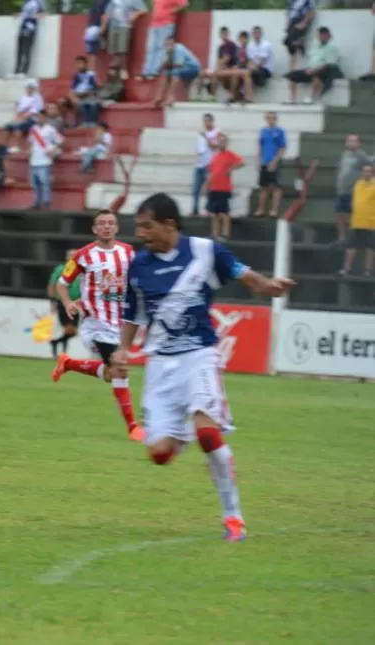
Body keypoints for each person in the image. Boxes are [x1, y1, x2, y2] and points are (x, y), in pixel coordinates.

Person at [113, 192, 295, 541]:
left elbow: (243, 275)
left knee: (209, 434)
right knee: (159, 455)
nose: (141, 234)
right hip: (160, 366)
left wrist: (269, 286)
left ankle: (233, 518)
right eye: (138, 227)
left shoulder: (205, 251)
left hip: (199, 356)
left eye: (147, 226)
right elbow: (133, 314)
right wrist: (122, 349)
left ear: (170, 224)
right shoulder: (138, 266)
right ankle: (181, 434)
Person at [52, 210, 143, 442]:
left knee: (111, 373)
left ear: (117, 227)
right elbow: (62, 284)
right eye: (101, 223)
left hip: (120, 323)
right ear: (94, 229)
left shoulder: (127, 252)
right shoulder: (83, 256)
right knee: (120, 370)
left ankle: (68, 363)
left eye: (110, 223)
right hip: (96, 324)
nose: (106, 227)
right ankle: (133, 427)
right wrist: (68, 303)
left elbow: (136, 280)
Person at [333, 135, 373, 246]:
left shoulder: (362, 156)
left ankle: (352, 238)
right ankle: (341, 236)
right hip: (342, 189)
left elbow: (369, 168)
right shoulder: (344, 154)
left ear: (359, 143)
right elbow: (340, 168)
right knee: (339, 212)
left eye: (354, 141)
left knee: (352, 214)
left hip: (355, 190)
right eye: (350, 141)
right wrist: (339, 180)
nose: (351, 143)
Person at [203, 133, 244, 242]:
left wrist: (231, 169)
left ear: (226, 143)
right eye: (220, 141)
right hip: (214, 188)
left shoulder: (230, 154)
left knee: (224, 213)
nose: (221, 143)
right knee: (214, 213)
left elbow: (241, 162)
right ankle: (215, 234)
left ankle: (225, 234)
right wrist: (206, 185)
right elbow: (211, 172)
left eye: (223, 141)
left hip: (224, 188)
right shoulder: (215, 156)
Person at [285, 26, 341, 105]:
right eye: (320, 35)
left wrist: (314, 70)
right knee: (291, 76)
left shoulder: (332, 47)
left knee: (317, 76)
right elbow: (311, 59)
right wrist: (309, 69)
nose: (321, 37)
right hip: (310, 69)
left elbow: (328, 64)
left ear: (327, 36)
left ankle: (312, 97)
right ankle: (292, 99)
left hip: (324, 70)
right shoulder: (314, 45)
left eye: (323, 35)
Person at [341, 164, 375, 277]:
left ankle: (368, 270)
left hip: (371, 223)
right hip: (356, 222)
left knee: (370, 248)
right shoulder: (358, 184)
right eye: (365, 171)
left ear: (372, 173)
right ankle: (347, 269)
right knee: (351, 246)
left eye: (369, 171)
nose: (367, 173)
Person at [138, 0, 186, 80]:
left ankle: (154, 71)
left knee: (161, 47)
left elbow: (184, 3)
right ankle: (146, 72)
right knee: (150, 47)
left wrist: (175, 10)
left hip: (166, 23)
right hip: (154, 24)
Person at [254, 111, 286, 218]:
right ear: (266, 119)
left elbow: (282, 148)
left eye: (273, 118)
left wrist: (275, 161)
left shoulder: (280, 131)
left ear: (276, 119)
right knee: (263, 186)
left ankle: (274, 210)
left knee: (276, 187)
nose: (271, 120)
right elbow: (260, 146)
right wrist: (258, 160)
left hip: (274, 161)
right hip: (264, 161)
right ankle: (261, 209)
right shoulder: (263, 131)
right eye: (269, 118)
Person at [47, 249, 79, 359]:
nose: (73, 258)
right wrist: (52, 300)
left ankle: (56, 343)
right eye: (71, 256)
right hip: (63, 302)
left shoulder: (80, 270)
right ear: (67, 257)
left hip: (76, 303)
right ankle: (64, 354)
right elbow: (52, 283)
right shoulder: (61, 269)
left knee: (73, 331)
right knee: (68, 329)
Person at [27, 110, 61, 210]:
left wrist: (53, 149)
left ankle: (46, 203)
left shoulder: (50, 129)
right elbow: (30, 142)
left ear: (45, 118)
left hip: (45, 160)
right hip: (33, 160)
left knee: (45, 183)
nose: (39, 119)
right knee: (34, 184)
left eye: (41, 117)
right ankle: (36, 203)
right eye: (38, 117)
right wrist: (29, 150)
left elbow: (59, 141)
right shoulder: (33, 129)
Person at [153, 37, 200, 107]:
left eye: (171, 44)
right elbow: (165, 65)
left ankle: (171, 98)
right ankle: (160, 96)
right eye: (167, 44)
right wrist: (163, 66)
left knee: (175, 73)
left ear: (174, 44)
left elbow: (179, 65)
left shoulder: (179, 49)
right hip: (183, 69)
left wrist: (166, 65)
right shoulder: (167, 52)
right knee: (167, 73)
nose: (169, 46)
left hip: (193, 68)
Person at [103, 0, 145, 80]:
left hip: (124, 26)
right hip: (113, 26)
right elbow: (107, 13)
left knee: (122, 50)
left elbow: (143, 9)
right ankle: (114, 68)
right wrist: (104, 27)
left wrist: (135, 14)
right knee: (114, 50)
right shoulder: (113, 1)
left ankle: (123, 69)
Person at [234, 26, 273, 103]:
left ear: (261, 34)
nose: (256, 35)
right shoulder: (250, 46)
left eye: (258, 33)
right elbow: (250, 60)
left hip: (265, 70)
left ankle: (249, 97)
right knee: (241, 72)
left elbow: (261, 62)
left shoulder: (266, 44)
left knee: (247, 72)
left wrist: (251, 68)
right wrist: (250, 67)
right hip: (255, 68)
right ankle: (240, 95)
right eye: (255, 33)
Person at [191, 112, 220, 217]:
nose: (206, 123)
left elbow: (215, 146)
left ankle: (208, 209)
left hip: (210, 164)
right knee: (195, 189)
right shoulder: (201, 133)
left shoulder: (217, 132)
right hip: (199, 164)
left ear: (212, 121)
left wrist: (206, 137)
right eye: (205, 121)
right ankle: (195, 209)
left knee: (208, 189)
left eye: (208, 121)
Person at [58, 55, 99, 128]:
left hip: (86, 95)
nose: (79, 66)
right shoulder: (76, 75)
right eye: (77, 64)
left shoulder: (91, 75)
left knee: (80, 103)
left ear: (85, 64)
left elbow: (94, 89)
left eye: (80, 63)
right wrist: (72, 97)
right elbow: (72, 89)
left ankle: (81, 122)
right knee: (61, 101)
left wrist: (83, 94)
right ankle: (63, 123)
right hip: (76, 95)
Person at [5, 79, 44, 154]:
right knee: (8, 126)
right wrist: (16, 119)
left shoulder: (38, 98)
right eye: (28, 87)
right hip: (22, 118)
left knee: (19, 126)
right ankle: (5, 146)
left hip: (32, 120)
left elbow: (34, 112)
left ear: (34, 88)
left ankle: (16, 146)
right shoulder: (22, 98)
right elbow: (19, 111)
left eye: (31, 87)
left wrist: (21, 119)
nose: (29, 89)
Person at [199, 26, 238, 102]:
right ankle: (201, 95)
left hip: (230, 69)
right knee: (202, 73)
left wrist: (218, 69)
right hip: (221, 70)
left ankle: (215, 96)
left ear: (228, 34)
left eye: (225, 33)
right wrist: (217, 68)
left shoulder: (231, 45)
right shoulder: (220, 47)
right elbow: (218, 60)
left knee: (215, 74)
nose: (224, 35)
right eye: (222, 34)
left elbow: (227, 58)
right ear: (220, 35)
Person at [14, 0, 46, 78]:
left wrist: (37, 16)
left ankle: (24, 71)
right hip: (24, 24)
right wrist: (18, 14)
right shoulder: (26, 1)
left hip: (31, 24)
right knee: (20, 47)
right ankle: (17, 69)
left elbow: (44, 12)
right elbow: (23, 12)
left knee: (27, 48)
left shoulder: (39, 1)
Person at [284, 0, 314, 71]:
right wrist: (287, 24)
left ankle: (300, 44)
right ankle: (292, 71)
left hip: (301, 20)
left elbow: (311, 13)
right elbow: (288, 13)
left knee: (286, 41)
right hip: (292, 23)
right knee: (290, 46)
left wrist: (303, 23)